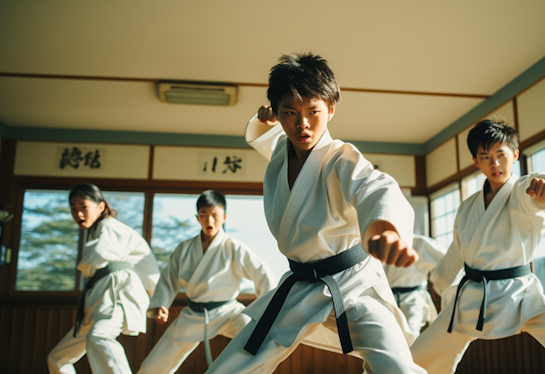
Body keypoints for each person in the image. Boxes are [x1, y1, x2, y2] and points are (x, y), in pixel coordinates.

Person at [205, 53, 427, 374]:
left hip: (352, 286)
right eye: (290, 113)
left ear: (331, 109)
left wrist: (383, 227)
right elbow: (267, 136)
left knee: (398, 369)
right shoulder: (282, 153)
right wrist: (265, 119)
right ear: (279, 115)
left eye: (313, 111)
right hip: (299, 288)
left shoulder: (340, 158)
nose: (303, 124)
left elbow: (374, 187)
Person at [410, 120, 545, 374]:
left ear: (515, 155)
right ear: (476, 161)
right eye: (485, 157)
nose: (494, 164)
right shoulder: (467, 207)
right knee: (415, 358)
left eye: (500, 155)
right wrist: (440, 283)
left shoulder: (521, 191)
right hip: (471, 299)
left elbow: (537, 194)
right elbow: (456, 252)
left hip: (518, 295)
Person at [138, 190, 277, 373]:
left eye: (215, 216)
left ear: (224, 217)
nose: (209, 221)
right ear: (197, 218)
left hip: (228, 312)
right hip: (193, 315)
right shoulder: (185, 248)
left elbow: (263, 273)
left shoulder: (234, 247)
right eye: (204, 215)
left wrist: (267, 312)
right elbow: (168, 278)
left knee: (259, 342)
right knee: (151, 367)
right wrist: (161, 304)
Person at [48, 183, 159, 374]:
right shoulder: (97, 231)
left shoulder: (110, 226)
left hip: (116, 293)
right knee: (57, 358)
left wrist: (157, 301)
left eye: (84, 207)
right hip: (96, 300)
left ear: (100, 206)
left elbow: (146, 265)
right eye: (74, 209)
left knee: (99, 336)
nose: (79, 214)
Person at [383, 234, 445, 337]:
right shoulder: (385, 242)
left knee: (411, 336)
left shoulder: (419, 243)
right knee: (389, 337)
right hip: (388, 298)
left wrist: (436, 281)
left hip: (413, 298)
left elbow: (445, 262)